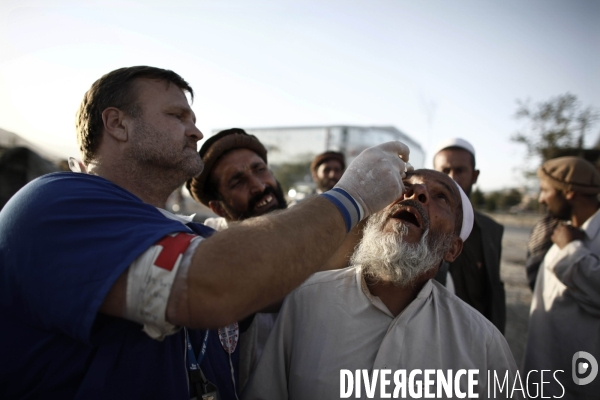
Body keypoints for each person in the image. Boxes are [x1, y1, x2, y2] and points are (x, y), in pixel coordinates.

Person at [0, 66, 412, 399]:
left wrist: (394, 214)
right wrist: (351, 196)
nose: (196, 131)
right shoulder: (57, 204)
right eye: (177, 116)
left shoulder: (190, 236)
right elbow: (210, 287)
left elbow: (308, 267)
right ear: (117, 124)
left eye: (193, 119)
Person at [244, 169, 519, 400]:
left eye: (441, 196)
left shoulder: (481, 342)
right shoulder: (306, 301)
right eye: (405, 186)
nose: (415, 193)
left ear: (453, 250)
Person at [186, 127, 287, 392]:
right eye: (238, 181)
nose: (259, 185)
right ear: (218, 208)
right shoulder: (203, 246)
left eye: (260, 169)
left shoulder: (315, 235)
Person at [523, 156, 600, 399]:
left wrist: (570, 251)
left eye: (545, 190)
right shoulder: (562, 230)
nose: (541, 198)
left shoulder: (575, 241)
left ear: (569, 193)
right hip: (547, 378)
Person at [433, 138, 506, 333]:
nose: (452, 178)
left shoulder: (491, 230)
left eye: (460, 170)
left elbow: (493, 291)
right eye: (445, 171)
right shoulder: (419, 225)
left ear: (474, 176)